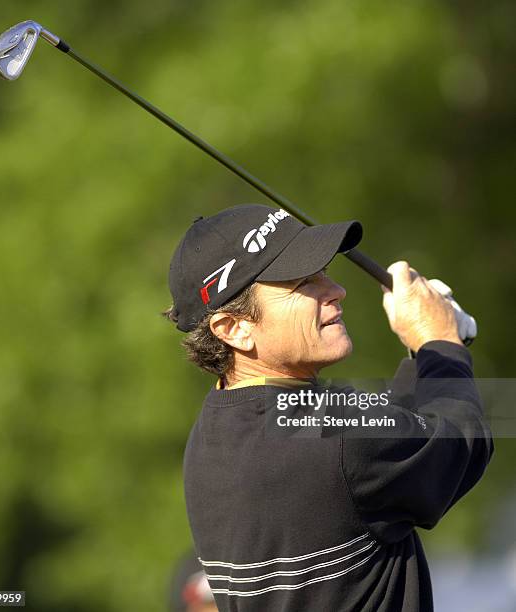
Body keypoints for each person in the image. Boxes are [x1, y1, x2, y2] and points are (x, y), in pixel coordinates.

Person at [164, 204, 493, 611]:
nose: (336, 290)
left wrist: (420, 355)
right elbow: (461, 440)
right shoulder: (330, 435)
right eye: (303, 282)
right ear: (234, 328)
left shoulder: (216, 429)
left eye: (322, 272)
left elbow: (382, 435)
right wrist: (440, 343)